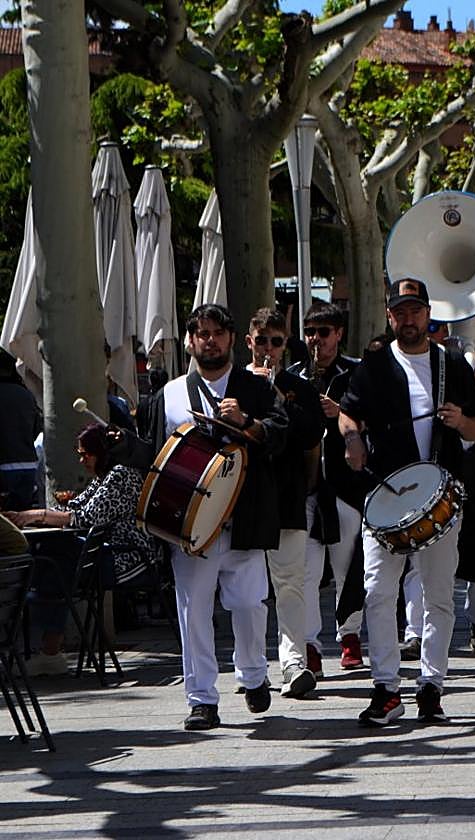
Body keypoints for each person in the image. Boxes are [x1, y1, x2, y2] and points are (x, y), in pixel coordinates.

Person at [340, 278, 475, 726]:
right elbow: (349, 411)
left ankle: (431, 686)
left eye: (415, 310)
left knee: (438, 597)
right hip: (386, 496)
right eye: (400, 312)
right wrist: (351, 438)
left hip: (440, 497)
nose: (408, 319)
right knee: (377, 593)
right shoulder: (375, 365)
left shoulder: (452, 365)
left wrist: (462, 421)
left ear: (428, 314)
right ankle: (386, 687)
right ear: (390, 316)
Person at [144, 303, 288, 731]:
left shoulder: (255, 388)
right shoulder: (167, 395)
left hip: (242, 517)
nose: (209, 340)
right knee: (193, 611)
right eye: (201, 333)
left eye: (217, 333)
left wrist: (248, 422)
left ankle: (253, 674)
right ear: (190, 341)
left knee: (248, 604)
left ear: (230, 339)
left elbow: (282, 435)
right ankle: (202, 699)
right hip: (188, 524)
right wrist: (113, 448)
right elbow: (151, 456)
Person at [5, 422, 160, 675]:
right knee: (51, 557)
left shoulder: (120, 475)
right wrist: (33, 516)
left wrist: (36, 515)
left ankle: (47, 646)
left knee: (54, 563)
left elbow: (85, 517)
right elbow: (75, 507)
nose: (82, 461)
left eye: (86, 454)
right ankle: (49, 647)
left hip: (128, 559)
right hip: (109, 553)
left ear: (101, 452)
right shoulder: (104, 478)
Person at [287, 302, 371, 674]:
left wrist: (342, 414)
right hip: (307, 487)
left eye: (323, 332)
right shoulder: (291, 376)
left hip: (346, 484)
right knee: (304, 568)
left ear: (339, 334)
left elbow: (374, 419)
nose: (315, 339)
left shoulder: (357, 373)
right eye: (310, 332)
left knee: (348, 562)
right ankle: (309, 646)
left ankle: (349, 634)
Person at [246, 308, 325, 699]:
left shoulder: (300, 386)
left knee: (290, 583)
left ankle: (293, 663)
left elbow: (312, 434)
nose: (269, 349)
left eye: (276, 342)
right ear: (250, 342)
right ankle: (253, 666)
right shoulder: (236, 383)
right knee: (248, 589)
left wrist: (277, 395)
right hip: (243, 501)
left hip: (288, 497)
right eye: (262, 340)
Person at [0, 349, 41, 511]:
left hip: (3, 465)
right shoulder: (26, 395)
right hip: (29, 465)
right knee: (22, 517)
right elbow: (37, 430)